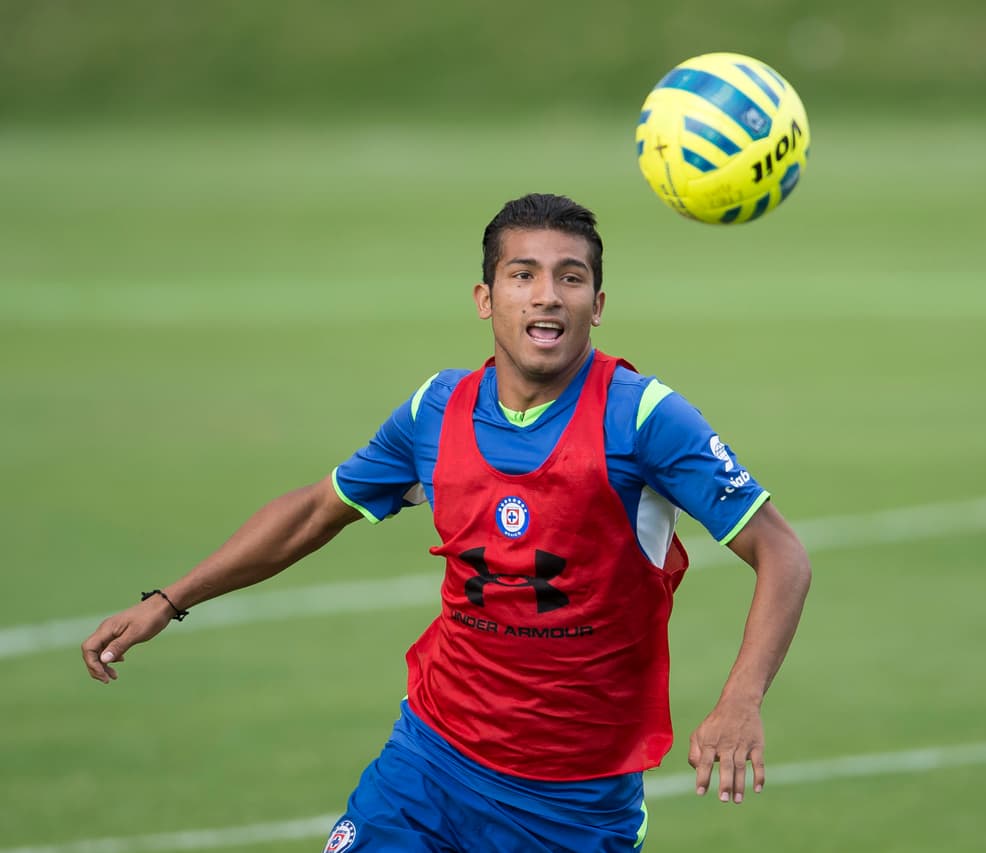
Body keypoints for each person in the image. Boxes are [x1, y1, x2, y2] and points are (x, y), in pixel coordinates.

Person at [81, 192, 811, 852]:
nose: (546, 296)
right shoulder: (437, 410)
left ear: (599, 301)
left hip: (573, 805)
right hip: (429, 763)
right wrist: (168, 599)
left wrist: (740, 699)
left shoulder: (645, 417)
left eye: (570, 276)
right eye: (522, 274)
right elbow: (313, 512)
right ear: (484, 297)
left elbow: (781, 551)